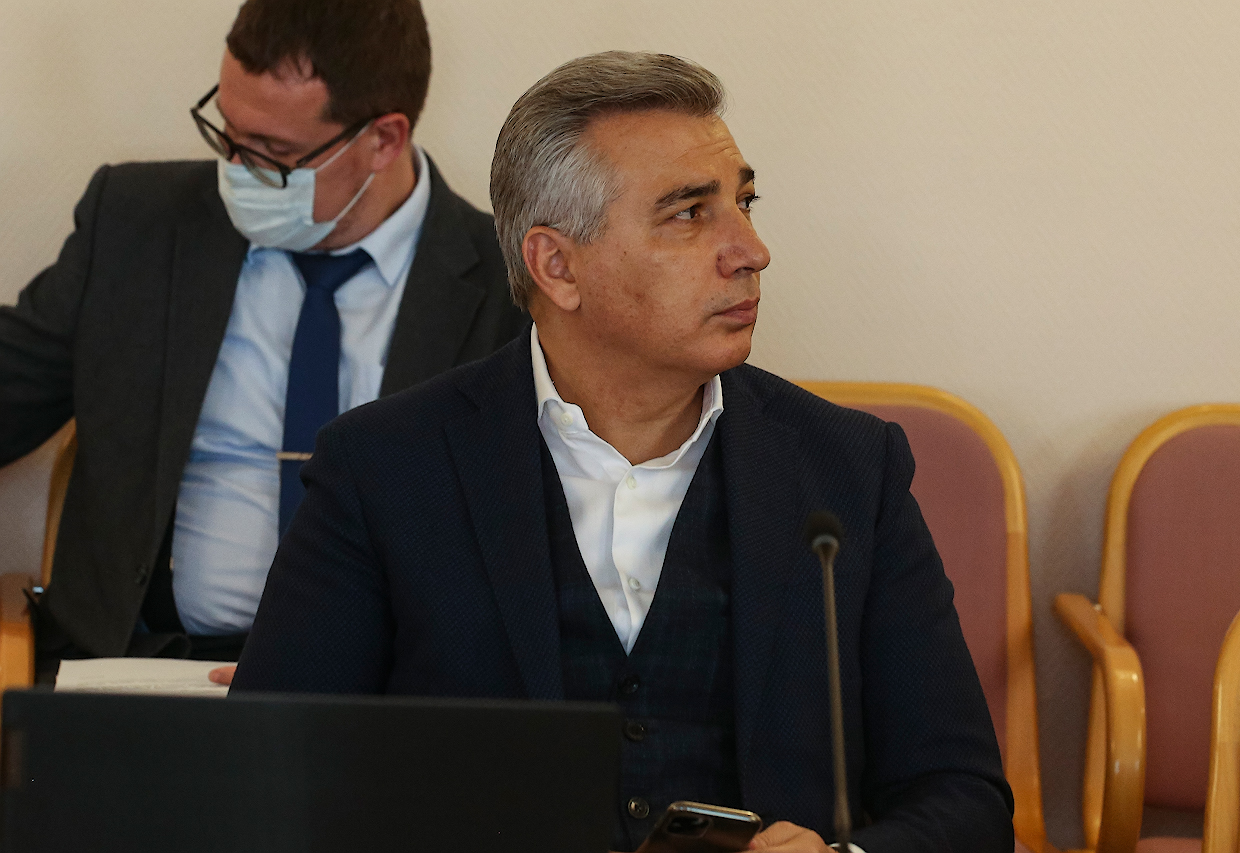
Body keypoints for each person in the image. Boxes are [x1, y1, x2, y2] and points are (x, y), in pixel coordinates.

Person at [232, 52, 1013, 852]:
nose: (751, 249)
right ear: (557, 266)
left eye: (744, 202)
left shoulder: (849, 470)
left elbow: (963, 795)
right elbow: (266, 782)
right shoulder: (382, 469)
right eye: (690, 213)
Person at [0, 0, 525, 667]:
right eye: (226, 130)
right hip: (147, 668)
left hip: (386, 690)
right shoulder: (137, 227)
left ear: (384, 139)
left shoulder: (513, 292)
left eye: (273, 153)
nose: (236, 168)